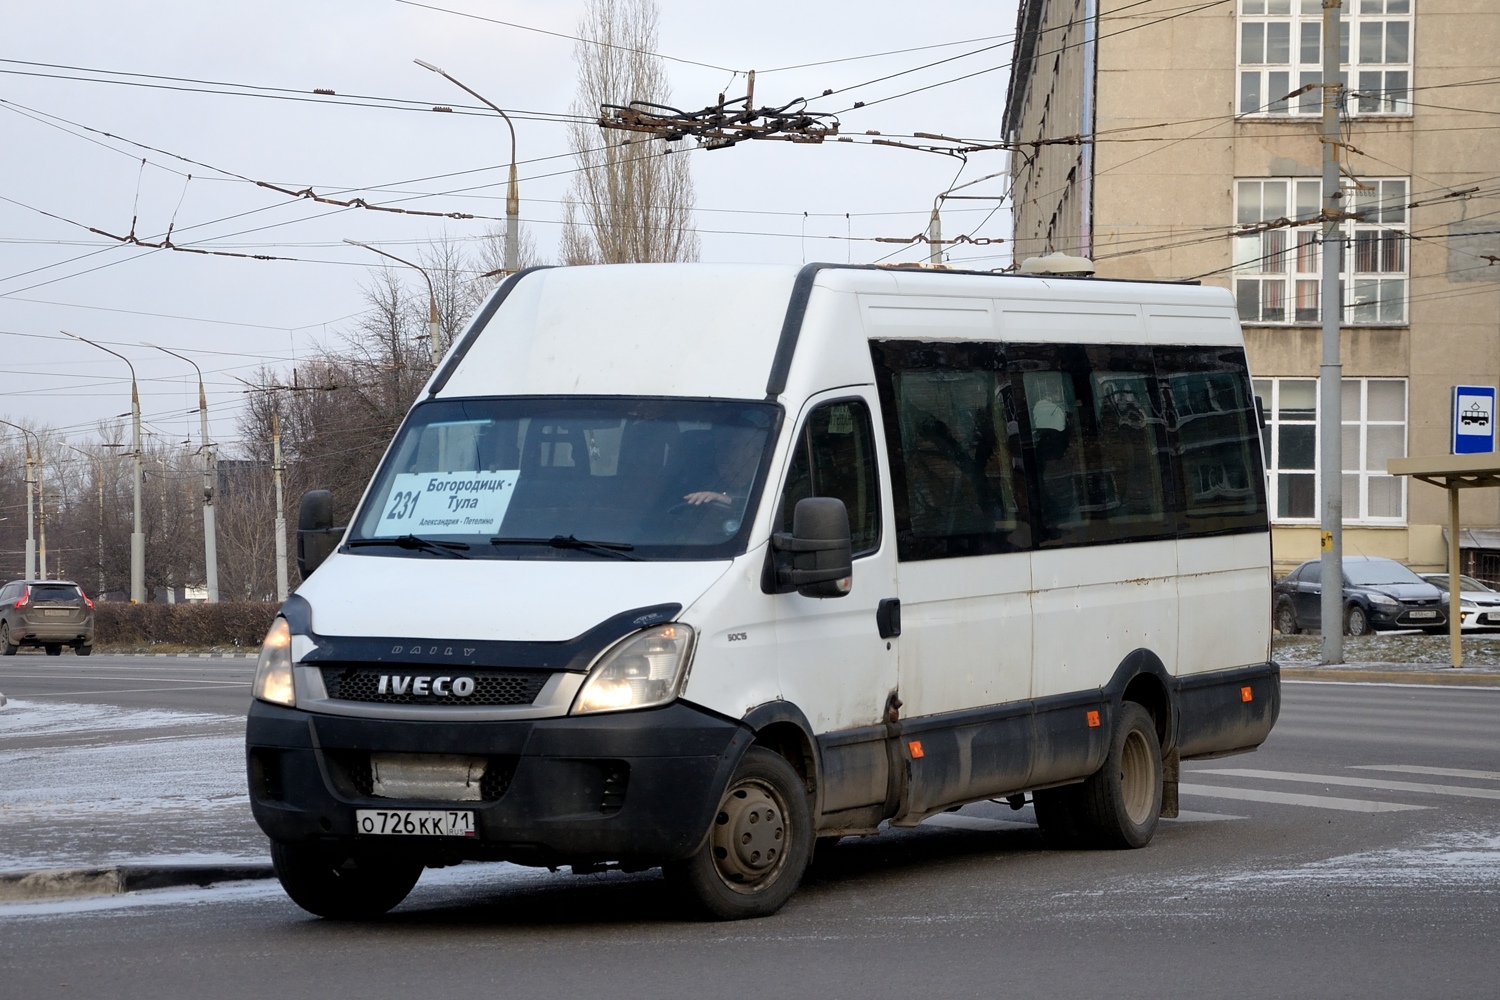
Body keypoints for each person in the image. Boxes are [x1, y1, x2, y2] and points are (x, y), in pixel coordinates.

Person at [684, 427, 764, 507]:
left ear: (756, 452)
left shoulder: (770, 486)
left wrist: (729, 501)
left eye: (731, 447)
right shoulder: (703, 486)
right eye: (717, 448)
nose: (721, 455)